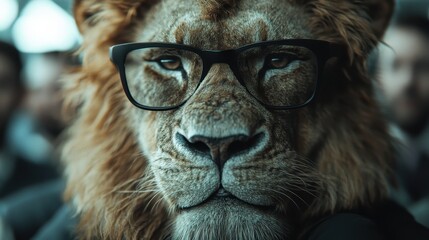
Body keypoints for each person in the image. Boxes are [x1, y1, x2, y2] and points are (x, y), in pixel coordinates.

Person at [376, 15, 429, 227]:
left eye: (422, 66)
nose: (408, 82)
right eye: (395, 66)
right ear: (377, 78)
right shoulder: (360, 162)